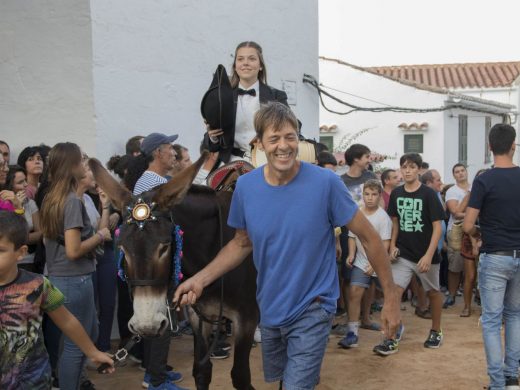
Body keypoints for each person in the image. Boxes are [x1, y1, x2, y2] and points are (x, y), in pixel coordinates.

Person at [174, 102, 400, 390]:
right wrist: (199, 279)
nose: (284, 146)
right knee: (287, 381)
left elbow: (369, 237)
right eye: (275, 138)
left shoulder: (326, 183)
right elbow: (241, 243)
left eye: (290, 137)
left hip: (314, 306)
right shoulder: (246, 188)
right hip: (270, 309)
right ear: (260, 144)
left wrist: (391, 298)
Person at [0, 211, 114, 390]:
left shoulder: (39, 285)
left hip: (33, 382)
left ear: (21, 252)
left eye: (0, 250)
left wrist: (92, 352)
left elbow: (67, 321)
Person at [39, 142, 112, 389]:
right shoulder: (71, 201)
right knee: (75, 345)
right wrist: (101, 235)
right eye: (81, 159)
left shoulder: (54, 197)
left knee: (85, 338)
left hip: (69, 279)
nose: (85, 164)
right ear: (72, 166)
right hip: (73, 280)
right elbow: (73, 251)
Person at [463, 123, 520, 390]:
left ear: (489, 147)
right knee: (515, 316)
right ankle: (511, 378)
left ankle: (497, 383)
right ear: (513, 146)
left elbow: (466, 224)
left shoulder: (484, 179)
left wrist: (477, 235)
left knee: (492, 320)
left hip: (495, 255)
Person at [373, 153, 445, 356]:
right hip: (403, 253)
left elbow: (437, 227)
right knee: (394, 293)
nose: (407, 170)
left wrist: (429, 255)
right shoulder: (396, 193)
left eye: (412, 167)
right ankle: (391, 337)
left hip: (426, 254)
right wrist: (393, 245)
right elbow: (394, 221)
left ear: (419, 170)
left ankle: (436, 330)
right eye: (404, 167)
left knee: (433, 292)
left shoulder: (429, 194)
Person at [131, 133, 186, 390]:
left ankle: (156, 371)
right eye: (169, 149)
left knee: (161, 317)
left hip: (157, 260)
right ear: (157, 153)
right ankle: (156, 379)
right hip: (157, 263)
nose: (174, 153)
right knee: (160, 317)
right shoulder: (155, 182)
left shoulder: (153, 180)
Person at [204, 41, 289, 164]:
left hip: (267, 161)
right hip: (231, 163)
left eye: (252, 59)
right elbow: (211, 146)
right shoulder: (222, 98)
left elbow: (293, 126)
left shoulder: (276, 96)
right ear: (235, 66)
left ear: (260, 66)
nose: (245, 63)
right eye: (240, 59)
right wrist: (213, 136)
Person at [339, 179, 394, 349]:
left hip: (379, 262)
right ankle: (352, 332)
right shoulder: (357, 213)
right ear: (362, 195)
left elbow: (385, 243)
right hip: (361, 261)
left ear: (380, 196)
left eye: (374, 194)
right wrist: (352, 254)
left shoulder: (383, 217)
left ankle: (393, 329)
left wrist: (375, 264)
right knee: (355, 292)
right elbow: (352, 236)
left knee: (389, 295)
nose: (370, 198)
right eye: (367, 194)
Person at [444, 163, 471, 309]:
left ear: (466, 172)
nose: (460, 173)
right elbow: (455, 212)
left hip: (474, 230)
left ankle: (472, 297)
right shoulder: (452, 191)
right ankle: (452, 294)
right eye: (457, 172)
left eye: (462, 170)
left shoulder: (474, 187)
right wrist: (473, 214)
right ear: (454, 175)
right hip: (456, 231)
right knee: (455, 265)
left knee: (471, 267)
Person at [6, 165, 42, 272]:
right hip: (9, 263)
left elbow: (40, 234)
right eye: (20, 182)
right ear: (9, 187)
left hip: (30, 261)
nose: (26, 185)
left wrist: (23, 238)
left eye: (25, 180)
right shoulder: (3, 206)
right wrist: (18, 208)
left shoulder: (30, 203)